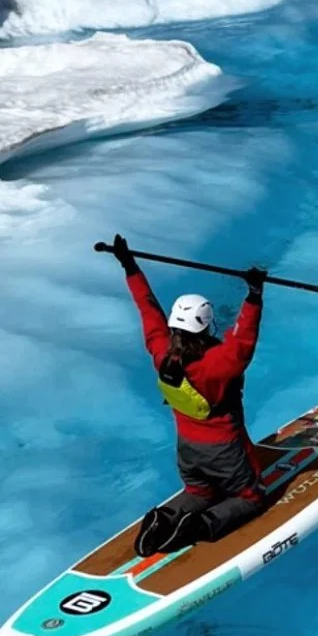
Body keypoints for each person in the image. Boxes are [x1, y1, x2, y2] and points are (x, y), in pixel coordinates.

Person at [108, 234, 268, 557]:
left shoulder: (161, 352)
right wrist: (254, 295)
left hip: (186, 450)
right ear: (206, 327)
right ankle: (200, 527)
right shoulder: (216, 364)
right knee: (252, 496)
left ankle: (161, 518)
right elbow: (243, 343)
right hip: (224, 451)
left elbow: (148, 308)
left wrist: (129, 265)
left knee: (199, 490)